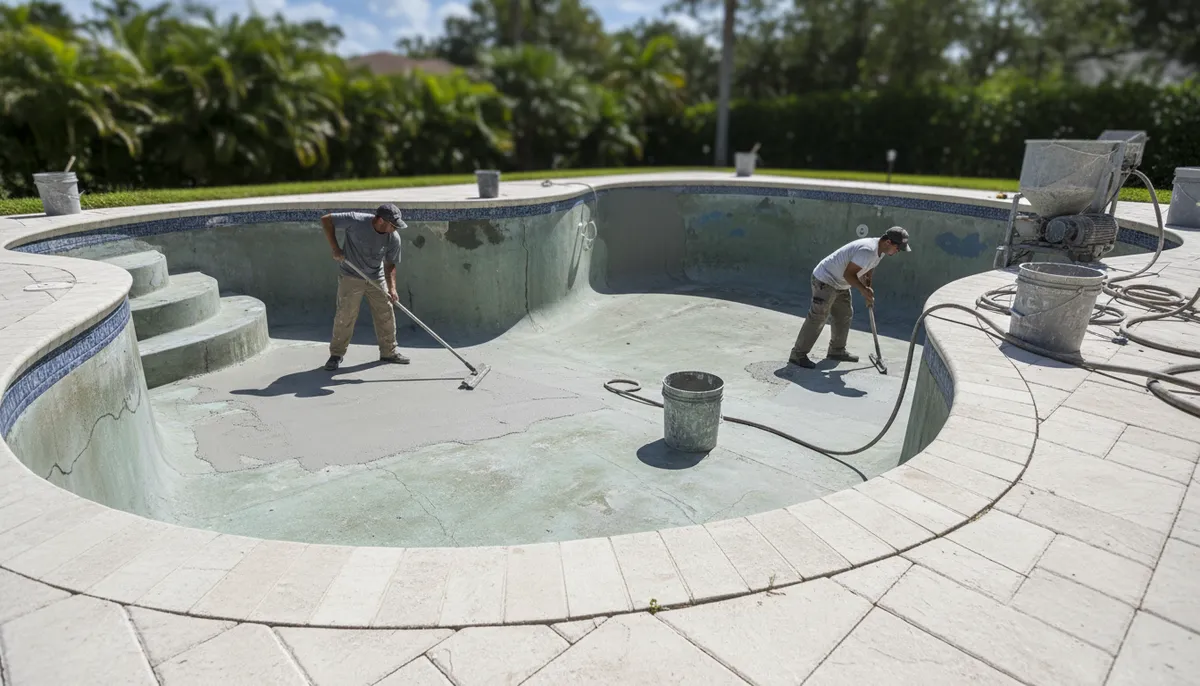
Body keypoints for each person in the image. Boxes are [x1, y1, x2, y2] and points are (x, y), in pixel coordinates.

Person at [789, 226, 911, 369]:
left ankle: (836, 350)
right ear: (888, 242)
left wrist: (868, 288)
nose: (898, 251)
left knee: (844, 315)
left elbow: (869, 268)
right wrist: (863, 291)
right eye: (898, 248)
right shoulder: (867, 250)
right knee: (818, 317)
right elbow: (849, 274)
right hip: (825, 279)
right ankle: (798, 355)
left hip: (841, 284)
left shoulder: (880, 251)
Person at [321, 203, 409, 371]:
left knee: (386, 312)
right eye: (393, 224)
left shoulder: (394, 237)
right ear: (381, 220)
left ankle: (389, 352)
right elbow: (326, 220)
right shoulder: (356, 221)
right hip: (351, 275)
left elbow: (390, 265)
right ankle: (336, 355)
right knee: (345, 315)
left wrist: (392, 289)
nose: (396, 228)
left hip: (377, 277)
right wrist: (335, 248)